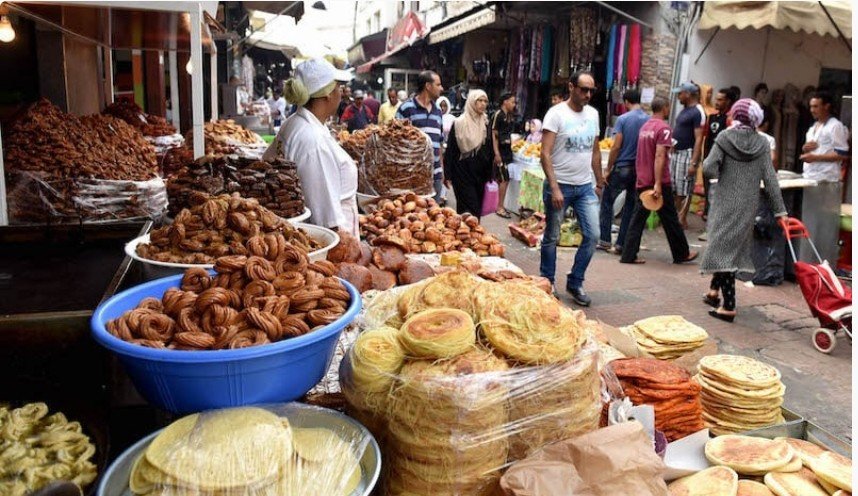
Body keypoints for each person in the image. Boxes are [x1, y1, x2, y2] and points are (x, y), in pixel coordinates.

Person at [701, 98, 786, 322]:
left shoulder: (725, 137)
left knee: (723, 250)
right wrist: (781, 212)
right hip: (748, 205)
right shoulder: (762, 144)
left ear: (736, 116)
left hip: (725, 201)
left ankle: (729, 306)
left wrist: (720, 175)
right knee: (727, 247)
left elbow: (708, 167)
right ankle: (713, 291)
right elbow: (770, 180)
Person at [262, 58, 358, 236]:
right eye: (338, 87)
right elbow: (326, 221)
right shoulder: (313, 142)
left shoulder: (294, 124)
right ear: (328, 93)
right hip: (328, 240)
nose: (341, 93)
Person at [539, 71, 604, 307]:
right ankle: (547, 280)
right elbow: (544, 153)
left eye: (591, 90)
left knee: (593, 234)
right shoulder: (556, 114)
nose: (587, 94)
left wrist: (599, 180)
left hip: (584, 186)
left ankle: (575, 281)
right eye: (583, 89)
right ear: (571, 87)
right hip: (560, 185)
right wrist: (555, 188)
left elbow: (595, 151)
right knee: (552, 236)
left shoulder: (594, 114)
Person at [620, 97, 698, 266]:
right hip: (658, 181)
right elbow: (660, 155)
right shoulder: (664, 128)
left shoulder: (645, 127)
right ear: (665, 108)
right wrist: (657, 183)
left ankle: (628, 254)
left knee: (638, 218)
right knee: (670, 218)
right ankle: (681, 253)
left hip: (642, 178)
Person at [598, 88, 649, 254]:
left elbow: (616, 146)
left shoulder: (623, 119)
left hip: (622, 167)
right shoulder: (648, 120)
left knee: (607, 201)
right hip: (638, 169)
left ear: (626, 102)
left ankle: (605, 240)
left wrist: (608, 168)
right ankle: (621, 243)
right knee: (630, 205)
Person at [396, 71, 445, 203]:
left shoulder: (438, 111)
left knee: (434, 216)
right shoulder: (406, 108)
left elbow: (439, 143)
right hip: (413, 176)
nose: (442, 88)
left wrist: (442, 171)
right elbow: (396, 142)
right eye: (438, 84)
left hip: (435, 175)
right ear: (428, 86)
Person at [443, 90, 493, 218]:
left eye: (485, 101)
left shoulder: (486, 123)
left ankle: (471, 237)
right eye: (479, 101)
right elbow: (451, 149)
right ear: (471, 102)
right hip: (462, 173)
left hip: (480, 174)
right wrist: (447, 174)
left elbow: (489, 147)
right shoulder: (460, 123)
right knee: (468, 210)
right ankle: (465, 235)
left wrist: (491, 173)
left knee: (476, 211)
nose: (483, 104)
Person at [700, 87, 736, 239]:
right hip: (709, 160)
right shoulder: (712, 117)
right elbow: (706, 138)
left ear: (728, 102)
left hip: (722, 163)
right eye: (717, 99)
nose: (717, 102)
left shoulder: (729, 120)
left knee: (716, 195)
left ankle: (713, 230)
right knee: (708, 194)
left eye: (720, 99)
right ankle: (709, 225)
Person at [670, 81, 706, 229]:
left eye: (680, 93)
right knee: (675, 187)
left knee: (684, 188)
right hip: (676, 153)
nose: (678, 96)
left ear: (688, 94)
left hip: (687, 154)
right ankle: (676, 217)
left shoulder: (698, 112)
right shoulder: (685, 110)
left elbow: (699, 138)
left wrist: (693, 162)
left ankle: (681, 219)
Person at [491, 92, 517, 218]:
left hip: (507, 152)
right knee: (504, 179)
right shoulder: (498, 115)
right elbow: (494, 134)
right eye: (512, 102)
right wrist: (496, 153)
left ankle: (500, 205)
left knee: (504, 179)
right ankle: (499, 207)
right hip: (500, 152)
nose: (514, 104)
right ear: (505, 102)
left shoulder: (509, 116)